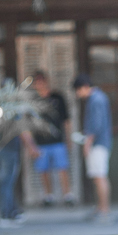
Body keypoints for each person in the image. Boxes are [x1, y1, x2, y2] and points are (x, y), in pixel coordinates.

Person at [29, 70, 72, 207]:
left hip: (58, 140)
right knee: (43, 170)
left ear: (46, 81)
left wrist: (68, 138)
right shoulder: (32, 101)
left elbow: (66, 120)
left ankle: (67, 196)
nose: (40, 83)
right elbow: (27, 124)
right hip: (40, 142)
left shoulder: (58, 97)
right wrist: (30, 145)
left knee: (62, 168)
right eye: (37, 81)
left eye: (42, 80)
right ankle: (48, 196)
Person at [73, 74, 112, 217]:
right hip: (99, 143)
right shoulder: (97, 98)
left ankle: (104, 209)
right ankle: (100, 207)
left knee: (100, 176)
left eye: (78, 90)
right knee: (97, 177)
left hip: (98, 144)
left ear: (84, 87)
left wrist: (87, 144)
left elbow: (96, 125)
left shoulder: (96, 100)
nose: (78, 94)